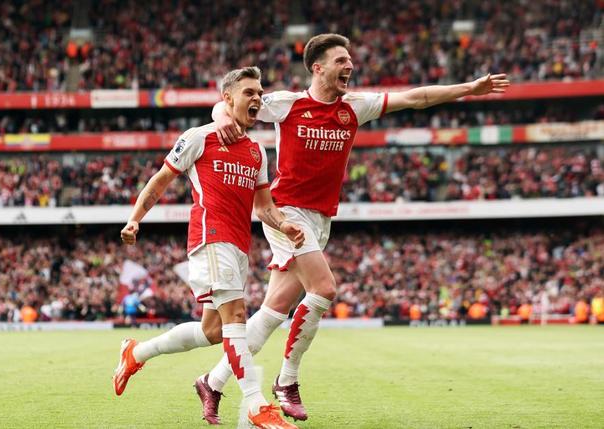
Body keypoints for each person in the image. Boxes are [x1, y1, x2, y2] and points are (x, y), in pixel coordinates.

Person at [198, 33, 510, 422]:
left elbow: (416, 98)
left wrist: (469, 89)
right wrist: (222, 119)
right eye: (341, 60)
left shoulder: (355, 107)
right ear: (318, 68)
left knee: (272, 313)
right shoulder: (288, 104)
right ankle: (287, 380)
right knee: (324, 289)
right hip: (286, 212)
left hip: (321, 219)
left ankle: (212, 381)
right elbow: (226, 103)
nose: (350, 66)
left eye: (349, 60)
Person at [112, 66, 304, 429]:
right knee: (236, 318)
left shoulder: (257, 152)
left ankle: (136, 353)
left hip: (239, 245)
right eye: (249, 92)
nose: (257, 98)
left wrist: (284, 224)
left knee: (214, 331)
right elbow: (160, 181)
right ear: (227, 98)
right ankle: (256, 405)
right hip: (210, 237)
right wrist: (135, 219)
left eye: (260, 93)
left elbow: (264, 207)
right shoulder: (199, 138)